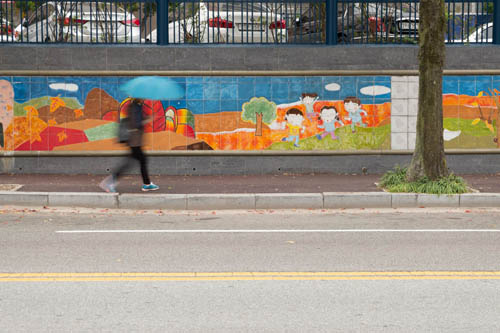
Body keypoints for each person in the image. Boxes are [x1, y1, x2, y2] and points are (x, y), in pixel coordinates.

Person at [99, 98, 159, 193]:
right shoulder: (135, 107)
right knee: (134, 162)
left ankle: (147, 184)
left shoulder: (136, 106)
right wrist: (149, 119)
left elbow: (136, 120)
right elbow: (136, 124)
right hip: (134, 140)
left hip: (134, 140)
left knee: (138, 161)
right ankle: (109, 182)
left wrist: (147, 118)